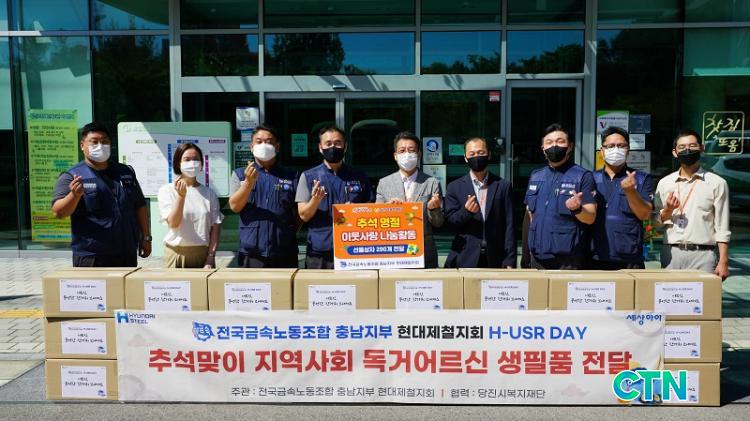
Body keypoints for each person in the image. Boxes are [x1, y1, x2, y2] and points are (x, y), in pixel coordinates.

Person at [51, 122, 151, 267]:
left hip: (126, 253)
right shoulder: (72, 176)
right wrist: (74, 195)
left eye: (105, 142)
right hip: (92, 256)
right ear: (82, 146)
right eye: (94, 142)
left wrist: (146, 237)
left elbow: (139, 205)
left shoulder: (125, 172)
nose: (100, 146)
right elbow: (59, 212)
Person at [655, 129, 731, 279]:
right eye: (682, 147)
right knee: (670, 294)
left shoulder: (717, 183)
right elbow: (654, 224)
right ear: (675, 152)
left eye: (692, 146)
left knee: (705, 295)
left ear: (701, 148)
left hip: (704, 254)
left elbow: (722, 226)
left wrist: (723, 260)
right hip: (671, 253)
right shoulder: (665, 183)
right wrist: (668, 211)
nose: (687, 150)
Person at [296, 126, 373, 269]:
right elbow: (303, 215)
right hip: (319, 251)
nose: (333, 147)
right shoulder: (308, 176)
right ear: (320, 147)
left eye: (338, 143)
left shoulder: (359, 176)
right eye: (328, 143)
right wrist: (315, 200)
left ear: (345, 146)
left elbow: (371, 210)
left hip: (352, 248)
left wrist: (356, 210)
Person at [525, 123, 597, 269]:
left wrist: (577, 209)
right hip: (537, 258)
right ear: (543, 148)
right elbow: (530, 216)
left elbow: (591, 217)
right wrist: (526, 254)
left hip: (568, 261)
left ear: (570, 146)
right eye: (549, 142)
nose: (554, 146)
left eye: (560, 141)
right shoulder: (536, 176)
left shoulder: (583, 176)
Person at [228, 124, 299, 268]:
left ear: (277, 146)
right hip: (251, 251)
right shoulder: (240, 174)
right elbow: (234, 206)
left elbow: (300, 213)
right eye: (259, 142)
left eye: (269, 142)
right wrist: (248, 183)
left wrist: (287, 231)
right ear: (251, 146)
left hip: (284, 250)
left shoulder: (291, 176)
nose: (264, 145)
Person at [444, 137, 515, 268]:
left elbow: (510, 224)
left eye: (481, 153)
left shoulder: (503, 186)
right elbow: (450, 222)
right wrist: (466, 212)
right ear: (465, 158)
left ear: (489, 155)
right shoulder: (454, 187)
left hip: (495, 258)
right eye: (472, 154)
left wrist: (509, 259)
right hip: (465, 257)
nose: (476, 156)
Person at [376, 131, 444, 268]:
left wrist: (434, 209)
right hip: (394, 253)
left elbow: (438, 223)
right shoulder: (384, 183)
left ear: (419, 155)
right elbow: (376, 220)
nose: (407, 154)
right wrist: (387, 209)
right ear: (395, 156)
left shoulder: (432, 183)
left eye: (411, 150)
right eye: (402, 151)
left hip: (424, 253)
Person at [590, 126, 655, 269]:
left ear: (628, 150)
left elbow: (645, 214)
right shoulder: (590, 178)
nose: (616, 150)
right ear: (602, 151)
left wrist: (631, 192)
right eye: (611, 146)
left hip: (629, 258)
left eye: (621, 146)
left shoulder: (642, 179)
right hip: (594, 257)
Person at [157, 143, 223, 268]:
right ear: (178, 163)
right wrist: (181, 196)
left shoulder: (209, 193)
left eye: (196, 159)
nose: (192, 163)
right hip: (176, 253)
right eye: (187, 159)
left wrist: (211, 256)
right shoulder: (167, 190)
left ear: (201, 164)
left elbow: (215, 227)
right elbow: (173, 224)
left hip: (202, 254)